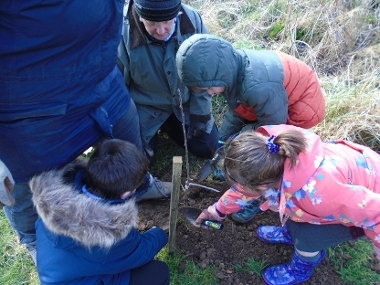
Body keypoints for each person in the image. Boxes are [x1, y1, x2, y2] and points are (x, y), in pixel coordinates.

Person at [0, 1, 171, 265]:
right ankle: (34, 238)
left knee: (128, 142)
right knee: (27, 183)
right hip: (28, 105)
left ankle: (140, 185)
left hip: (99, 77)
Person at [195, 124, 380, 285]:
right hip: (343, 189)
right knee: (292, 215)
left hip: (364, 205)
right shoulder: (271, 152)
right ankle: (291, 233)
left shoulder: (318, 194)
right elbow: (243, 191)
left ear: (264, 184)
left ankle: (301, 268)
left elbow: (376, 214)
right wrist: (216, 211)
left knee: (309, 237)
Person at [176, 33, 326, 222]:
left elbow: (273, 130)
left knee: (264, 155)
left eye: (208, 89)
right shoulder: (232, 73)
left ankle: (259, 191)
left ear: (217, 75)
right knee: (235, 139)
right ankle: (238, 169)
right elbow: (238, 110)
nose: (210, 94)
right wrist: (223, 139)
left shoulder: (256, 87)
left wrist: (238, 142)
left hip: (300, 109)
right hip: (275, 103)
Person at [30, 139, 170, 285]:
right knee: (159, 272)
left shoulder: (56, 197)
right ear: (126, 194)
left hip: (65, 271)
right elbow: (140, 251)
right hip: (81, 278)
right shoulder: (107, 232)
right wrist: (158, 234)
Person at [117, 0, 219, 160]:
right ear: (140, 16)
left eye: (167, 21)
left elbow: (205, 72)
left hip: (184, 103)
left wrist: (200, 114)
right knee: (136, 159)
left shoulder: (191, 19)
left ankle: (170, 125)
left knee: (208, 147)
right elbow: (117, 89)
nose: (161, 30)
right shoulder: (121, 32)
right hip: (145, 107)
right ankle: (154, 129)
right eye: (152, 23)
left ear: (177, 13)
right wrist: (127, 130)